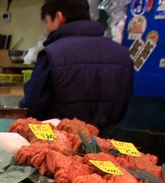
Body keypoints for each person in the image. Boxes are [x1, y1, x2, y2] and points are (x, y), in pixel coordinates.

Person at [20, 0, 134, 130]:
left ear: (59, 17)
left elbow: (32, 105)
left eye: (47, 22)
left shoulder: (52, 53)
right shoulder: (122, 54)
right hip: (108, 143)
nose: (47, 29)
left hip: (59, 142)